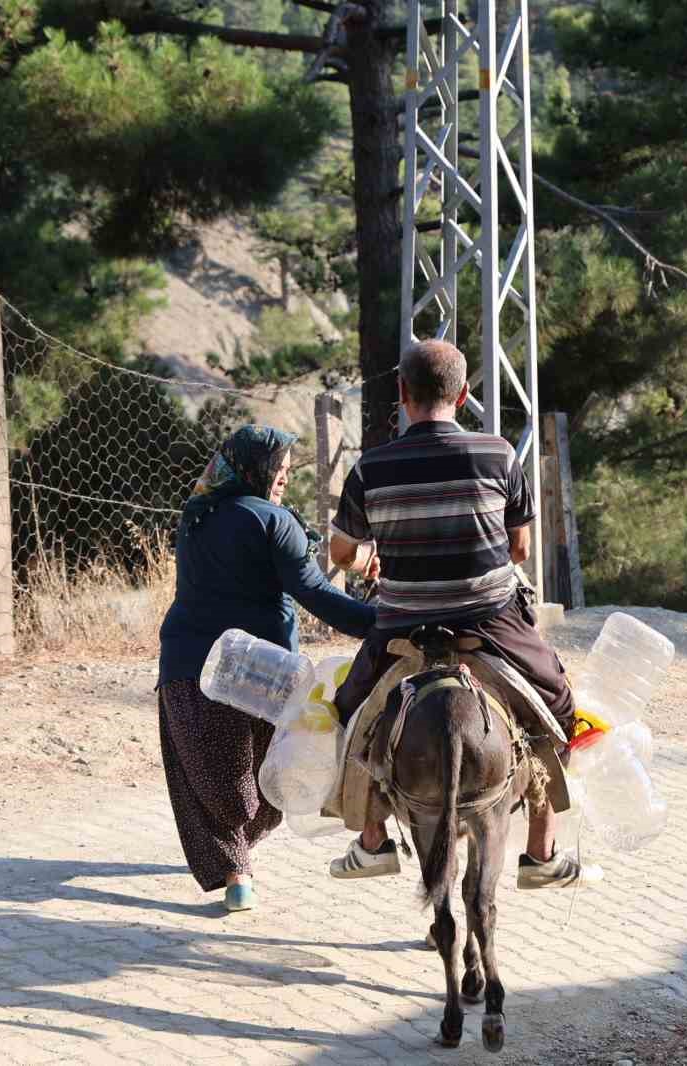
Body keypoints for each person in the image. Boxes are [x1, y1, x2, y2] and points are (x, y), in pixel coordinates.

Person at [324, 340, 598, 889]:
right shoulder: (498, 454)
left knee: (349, 712)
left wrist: (368, 557)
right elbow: (519, 549)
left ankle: (373, 840)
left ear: (402, 394)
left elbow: (340, 553)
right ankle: (541, 852)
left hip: (401, 624)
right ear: (465, 394)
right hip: (490, 623)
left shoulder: (371, 467)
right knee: (558, 706)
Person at [157, 425, 377, 913]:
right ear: (252, 467)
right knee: (272, 775)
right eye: (277, 468)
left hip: (189, 666)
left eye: (286, 469)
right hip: (265, 672)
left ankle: (234, 866)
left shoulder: (196, 514)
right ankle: (238, 867)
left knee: (212, 778)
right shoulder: (274, 521)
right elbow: (316, 594)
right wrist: (381, 622)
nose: (283, 476)